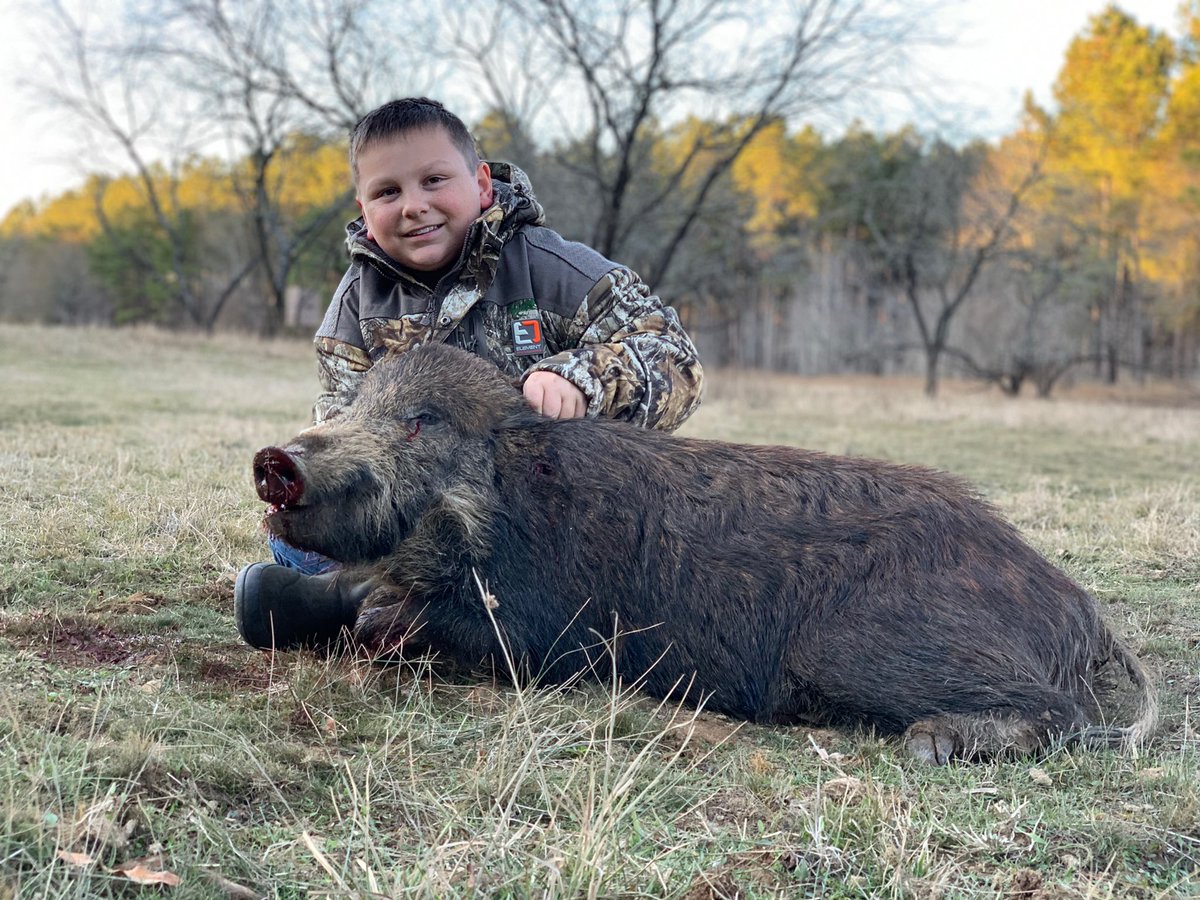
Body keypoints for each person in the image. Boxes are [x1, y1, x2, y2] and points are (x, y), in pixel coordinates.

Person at [235, 97, 704, 651]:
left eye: (434, 180)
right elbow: (343, 423)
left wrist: (580, 378)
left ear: (482, 185)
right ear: (362, 208)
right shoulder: (355, 308)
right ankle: (392, 601)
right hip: (426, 523)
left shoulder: (554, 269)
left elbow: (675, 358)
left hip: (557, 518)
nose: (414, 206)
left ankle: (356, 602)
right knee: (302, 540)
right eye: (388, 192)